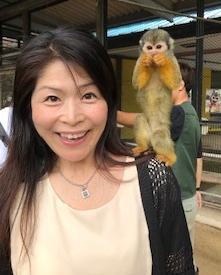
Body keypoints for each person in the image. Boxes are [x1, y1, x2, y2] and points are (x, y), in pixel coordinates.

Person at [0, 26, 195, 275]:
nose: (72, 118)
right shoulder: (9, 191)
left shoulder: (154, 180)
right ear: (27, 107)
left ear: (108, 103)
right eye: (52, 98)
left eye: (89, 95)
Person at [117, 62, 202, 275]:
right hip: (188, 196)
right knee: (183, 252)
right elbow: (198, 156)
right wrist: (197, 189)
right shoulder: (192, 114)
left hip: (178, 199)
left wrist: (112, 114)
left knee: (175, 258)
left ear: (180, 85)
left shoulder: (177, 113)